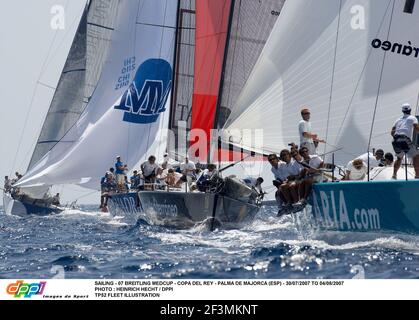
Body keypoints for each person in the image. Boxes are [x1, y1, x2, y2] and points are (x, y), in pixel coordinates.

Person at [391, 103, 419, 179]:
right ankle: (417, 176)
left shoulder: (398, 120)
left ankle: (394, 175)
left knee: (399, 158)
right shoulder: (412, 118)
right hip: (404, 139)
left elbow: (392, 132)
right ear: (410, 110)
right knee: (416, 156)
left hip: (395, 141)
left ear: (402, 111)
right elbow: (416, 128)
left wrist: (398, 139)